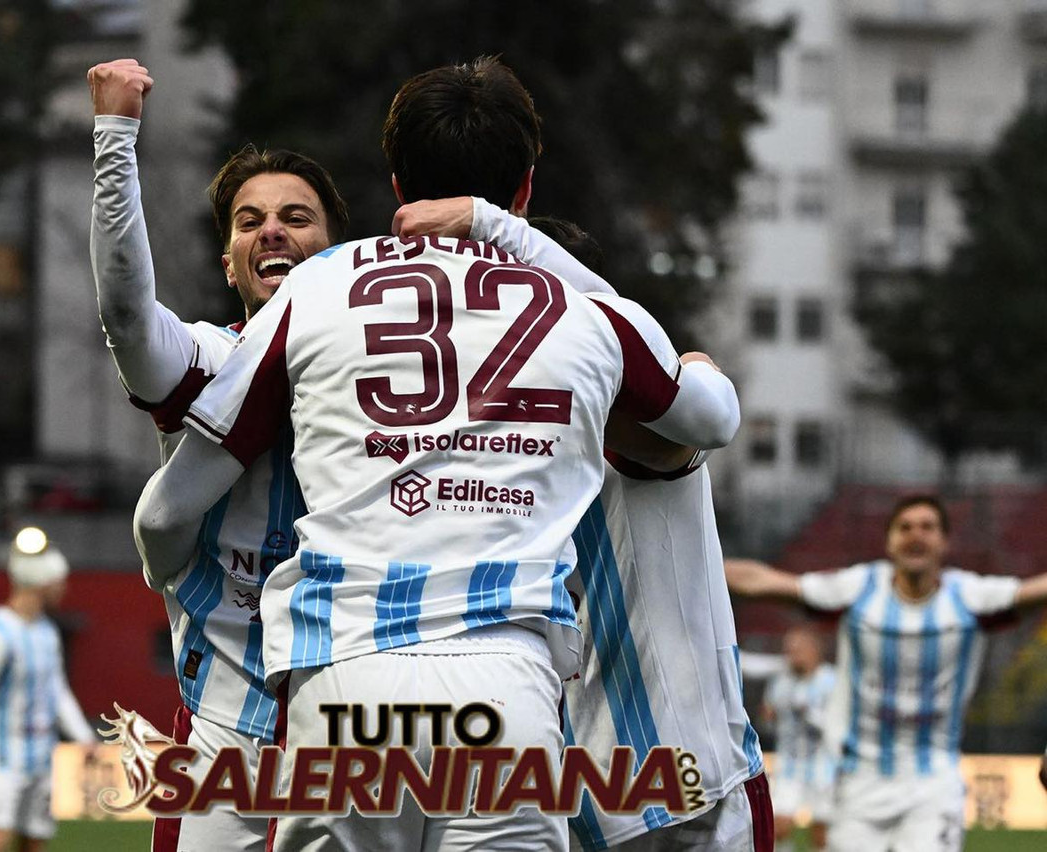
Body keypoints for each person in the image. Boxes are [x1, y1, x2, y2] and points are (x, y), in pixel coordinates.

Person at [135, 56, 740, 850]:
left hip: (346, 674)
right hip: (505, 680)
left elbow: (171, 505)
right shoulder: (584, 309)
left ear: (397, 184)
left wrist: (169, 572)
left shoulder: (317, 285)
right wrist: (504, 230)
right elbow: (713, 417)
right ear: (525, 188)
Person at [394, 202, 771, 851]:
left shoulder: (636, 425)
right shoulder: (470, 451)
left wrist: (490, 224)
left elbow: (695, 414)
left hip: (683, 796)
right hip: (559, 796)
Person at [88, 57, 349, 852]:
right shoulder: (206, 359)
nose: (272, 230)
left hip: (356, 728)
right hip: (224, 737)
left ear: (336, 252)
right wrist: (115, 136)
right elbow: (127, 317)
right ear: (230, 261)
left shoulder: (386, 377)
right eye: (248, 221)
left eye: (297, 217)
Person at [724, 494, 1047, 852]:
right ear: (889, 542)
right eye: (905, 527)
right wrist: (697, 563)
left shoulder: (970, 596)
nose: (916, 535)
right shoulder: (860, 588)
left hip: (934, 784)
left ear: (944, 542)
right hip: (860, 783)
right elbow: (764, 582)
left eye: (927, 527)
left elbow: (1034, 591)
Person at [0, 530, 97, 852]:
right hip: (3, 756)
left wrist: (82, 735)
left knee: (34, 840)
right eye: (59, 581)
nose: (64, 588)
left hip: (42, 754)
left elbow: (56, 690)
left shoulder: (47, 632)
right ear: (40, 582)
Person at [762, 626, 835, 851]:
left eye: (797, 649)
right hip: (789, 765)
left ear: (814, 650)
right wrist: (769, 716)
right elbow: (769, 718)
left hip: (823, 766)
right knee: (779, 824)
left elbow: (838, 725)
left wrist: (811, 715)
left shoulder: (831, 681)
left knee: (821, 830)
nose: (792, 655)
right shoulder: (780, 682)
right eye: (789, 650)